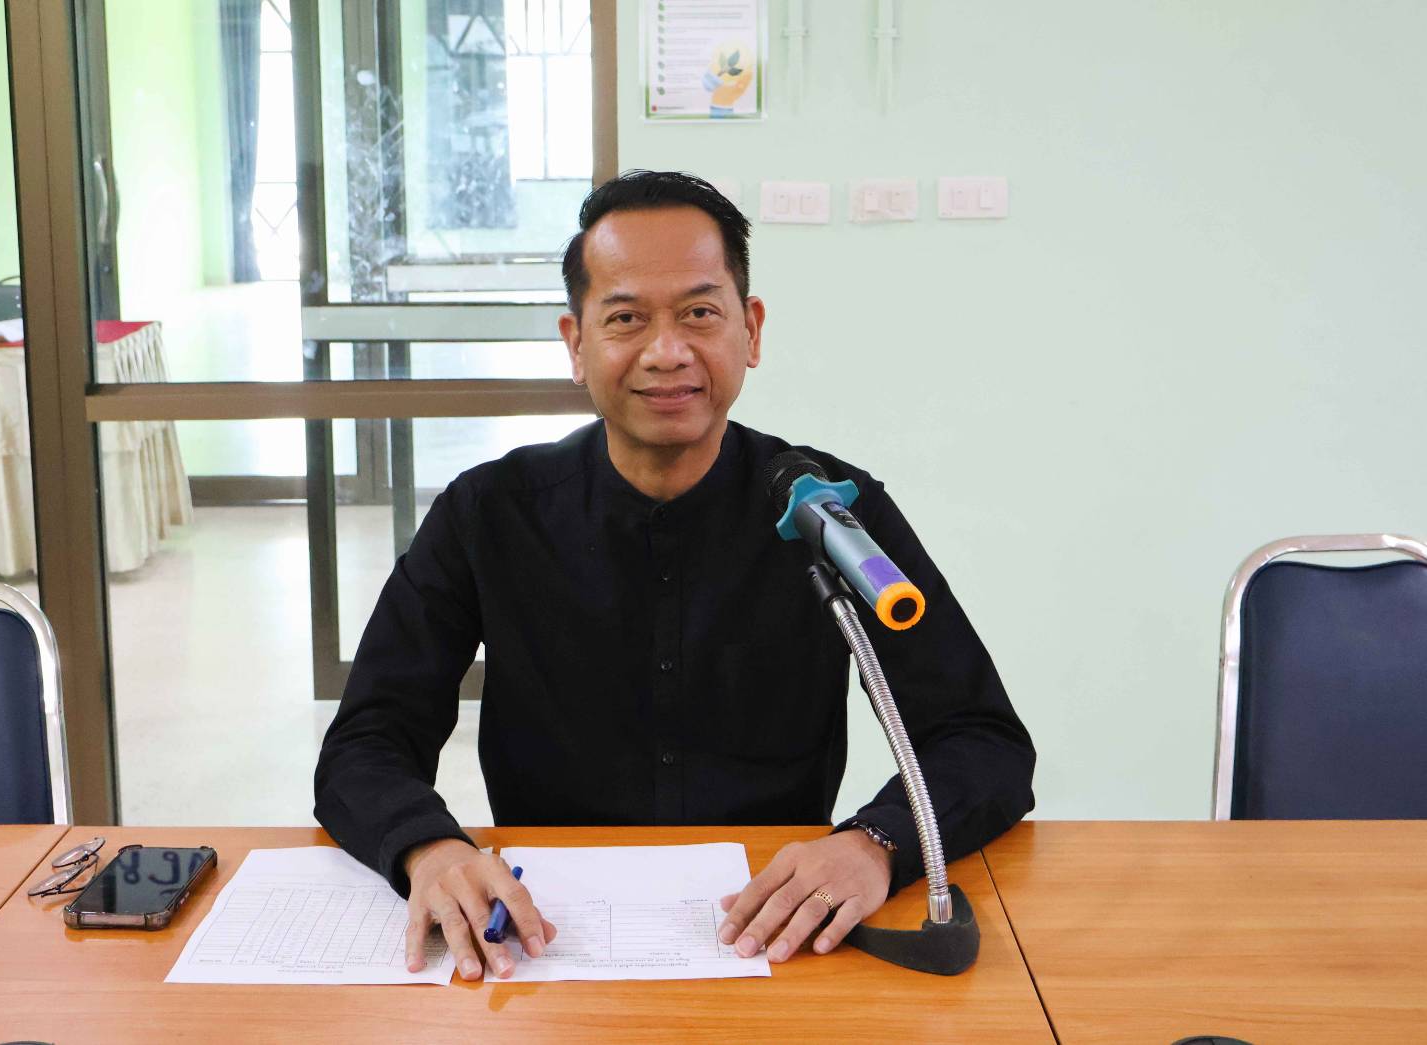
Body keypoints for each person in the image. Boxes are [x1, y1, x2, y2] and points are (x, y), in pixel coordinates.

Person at [315, 170, 1036, 982]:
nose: (667, 351)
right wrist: (429, 846)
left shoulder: (830, 512)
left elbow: (982, 739)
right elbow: (366, 741)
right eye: (626, 318)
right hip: (542, 942)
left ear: (750, 330)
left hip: (775, 934)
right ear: (575, 343)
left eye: (699, 313)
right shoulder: (488, 511)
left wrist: (874, 843)